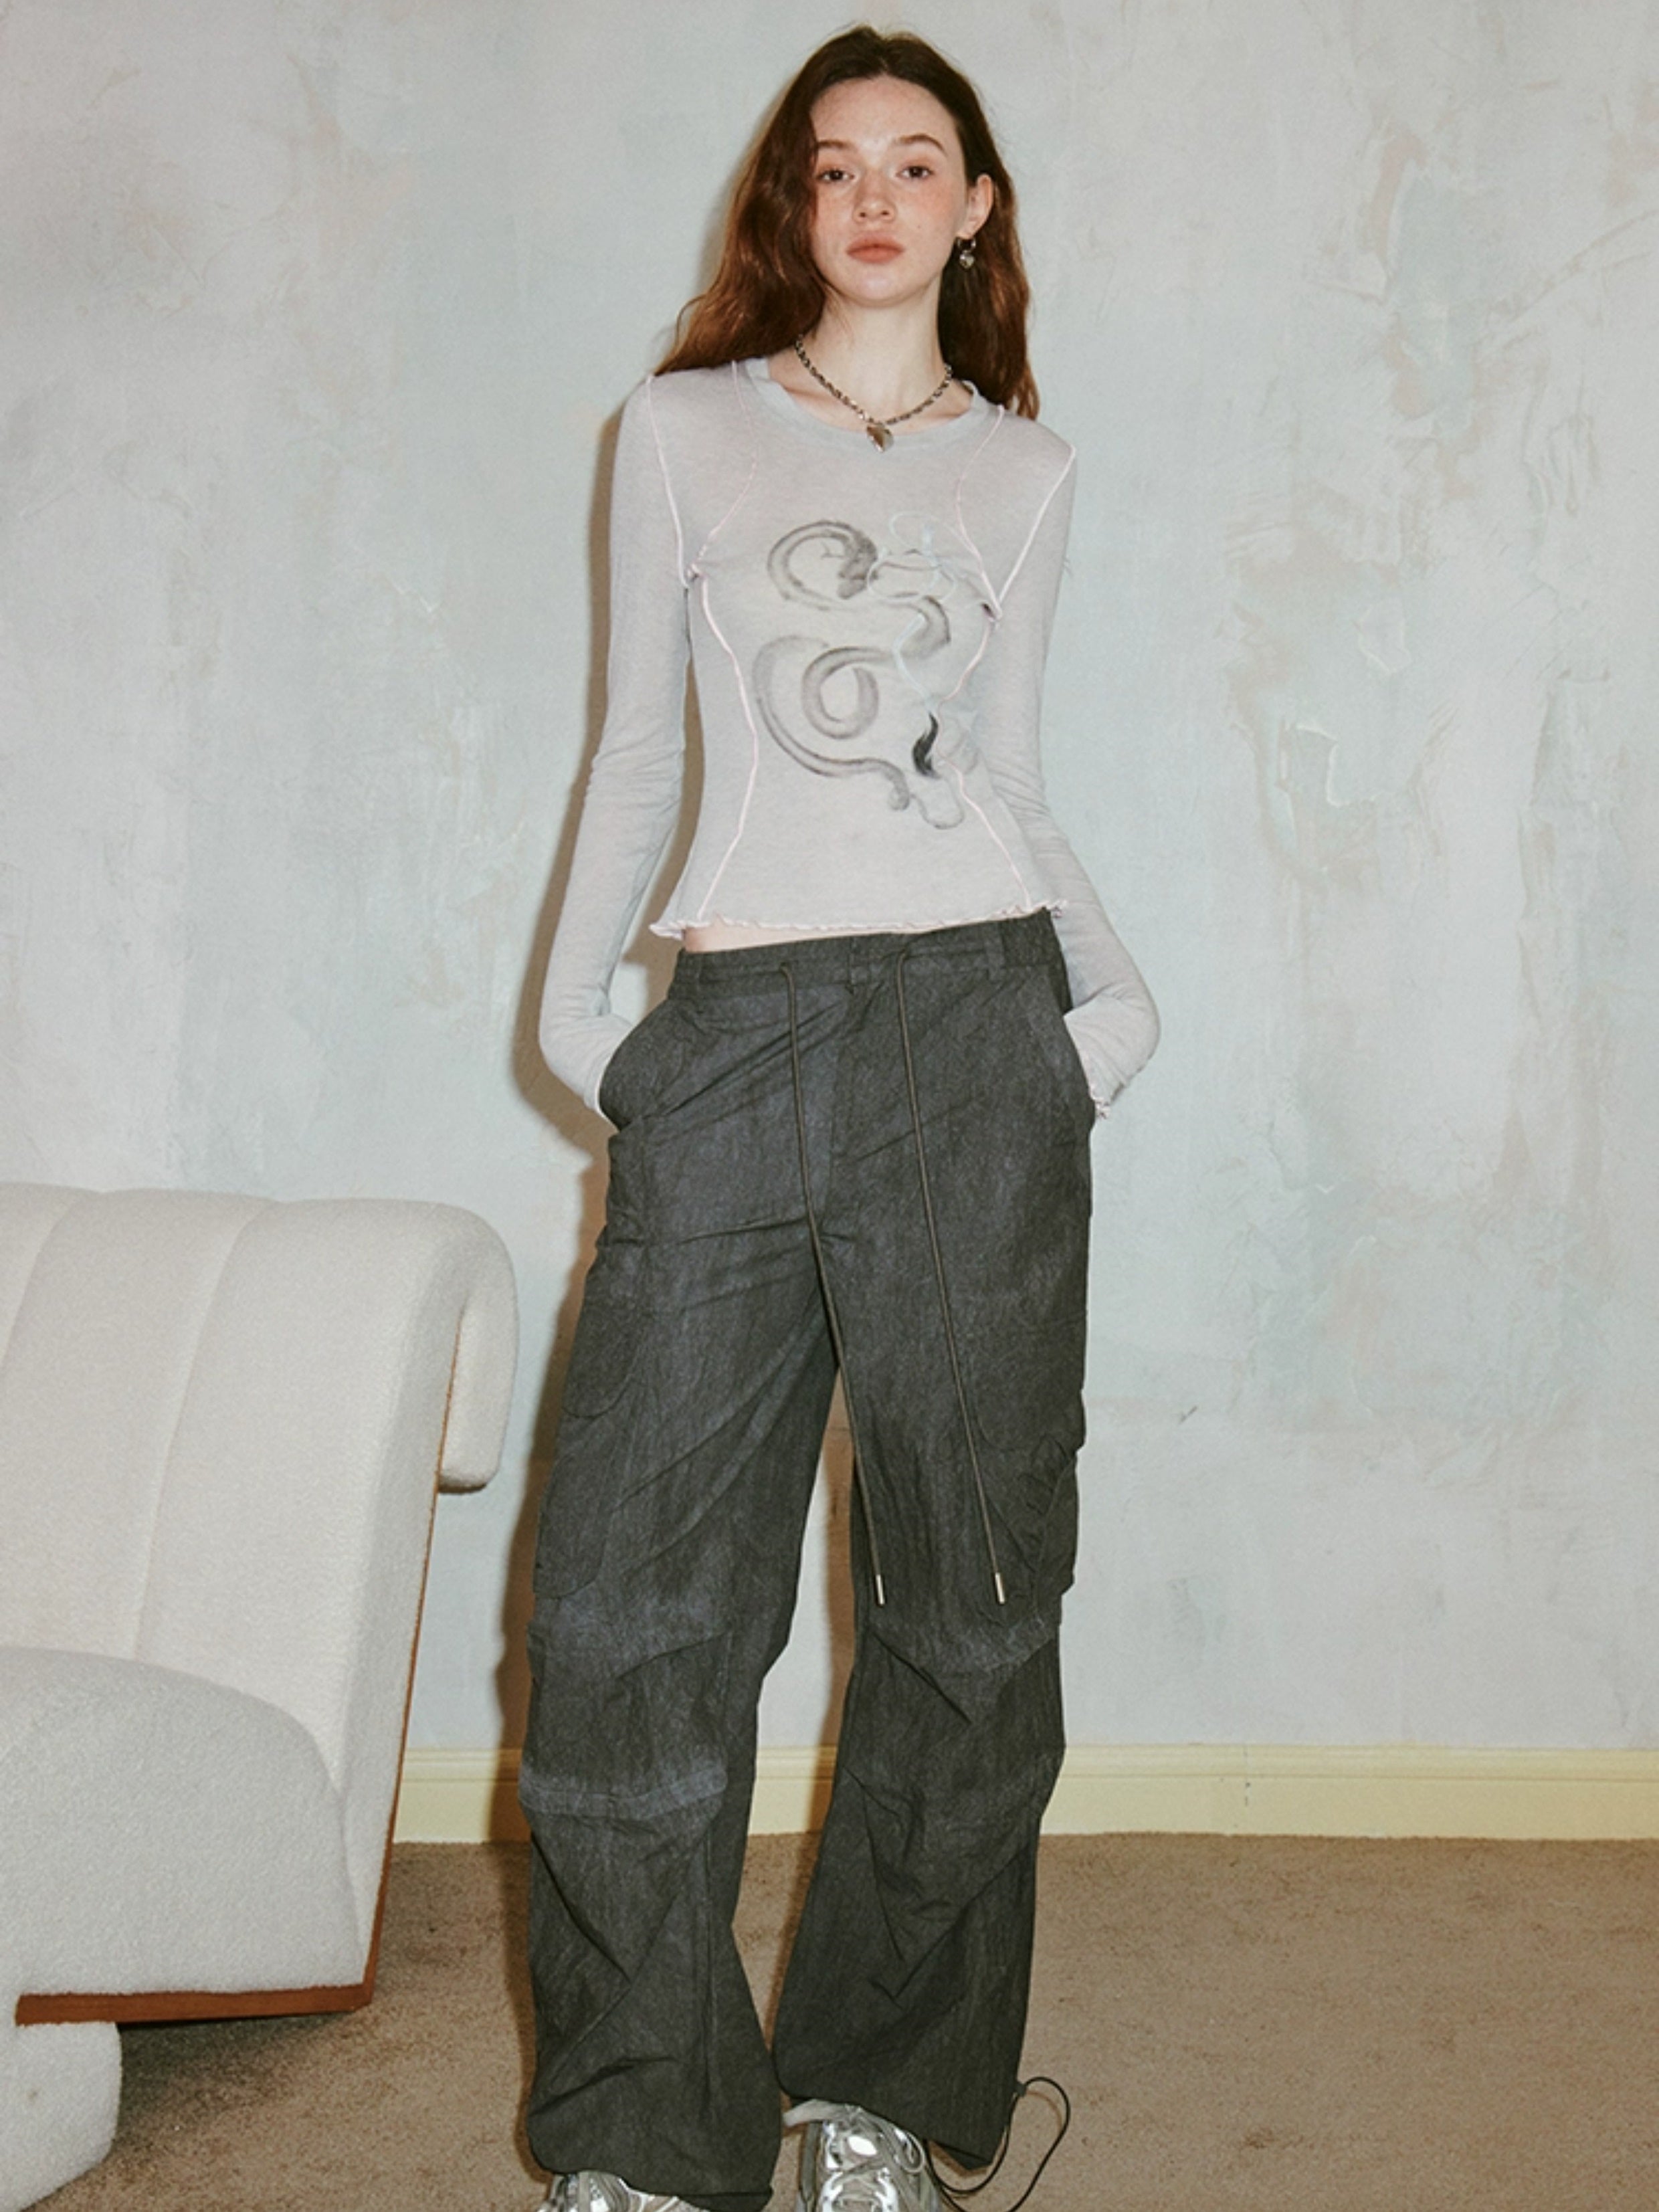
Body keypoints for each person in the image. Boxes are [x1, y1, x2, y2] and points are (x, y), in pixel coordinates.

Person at [524, 26, 1159, 2212]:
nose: (875, 197)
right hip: (735, 1031)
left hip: (978, 1030)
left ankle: (874, 2099)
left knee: (973, 1597)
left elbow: (1011, 775)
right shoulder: (682, 428)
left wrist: (1108, 1009)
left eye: (917, 162)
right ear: (793, 205)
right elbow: (638, 748)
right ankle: (641, 2133)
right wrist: (583, 1020)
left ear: (975, 208)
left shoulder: (1028, 471)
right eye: (835, 165)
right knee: (631, 1603)